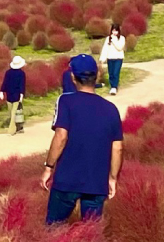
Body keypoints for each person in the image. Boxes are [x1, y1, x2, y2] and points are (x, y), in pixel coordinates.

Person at [42, 55, 123, 224]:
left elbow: (61, 136)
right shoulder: (111, 109)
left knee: (54, 230)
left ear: (73, 77)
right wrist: (113, 178)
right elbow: (117, 148)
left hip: (67, 180)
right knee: (91, 234)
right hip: (97, 182)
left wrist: (49, 167)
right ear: (97, 76)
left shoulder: (65, 101)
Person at [0, 56, 26, 135]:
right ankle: (17, 128)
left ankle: (12, 130)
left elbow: (5, 83)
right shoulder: (21, 73)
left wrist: (1, 91)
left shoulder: (8, 72)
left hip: (9, 95)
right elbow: (22, 85)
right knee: (13, 113)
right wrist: (21, 95)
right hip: (16, 95)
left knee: (12, 113)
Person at [99, 23, 126, 95]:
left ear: (118, 31)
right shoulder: (108, 39)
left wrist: (113, 40)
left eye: (116, 31)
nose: (114, 33)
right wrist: (102, 59)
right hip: (110, 58)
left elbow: (119, 47)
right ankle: (112, 86)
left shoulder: (122, 38)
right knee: (111, 73)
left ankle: (114, 87)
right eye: (113, 31)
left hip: (118, 58)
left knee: (115, 73)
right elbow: (105, 49)